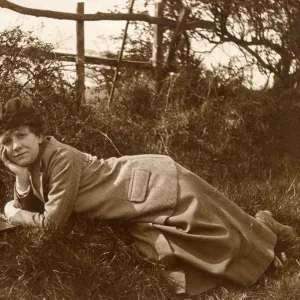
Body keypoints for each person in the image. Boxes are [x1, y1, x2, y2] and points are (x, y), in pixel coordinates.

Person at [0, 97, 298, 296]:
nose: (15, 146)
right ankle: (263, 225)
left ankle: (267, 230)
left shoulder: (61, 156)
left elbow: (51, 223)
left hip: (156, 183)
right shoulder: (35, 163)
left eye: (22, 135)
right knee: (170, 259)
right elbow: (37, 204)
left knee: (221, 237)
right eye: (7, 141)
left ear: (39, 135)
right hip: (135, 202)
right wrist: (20, 177)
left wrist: (14, 213)